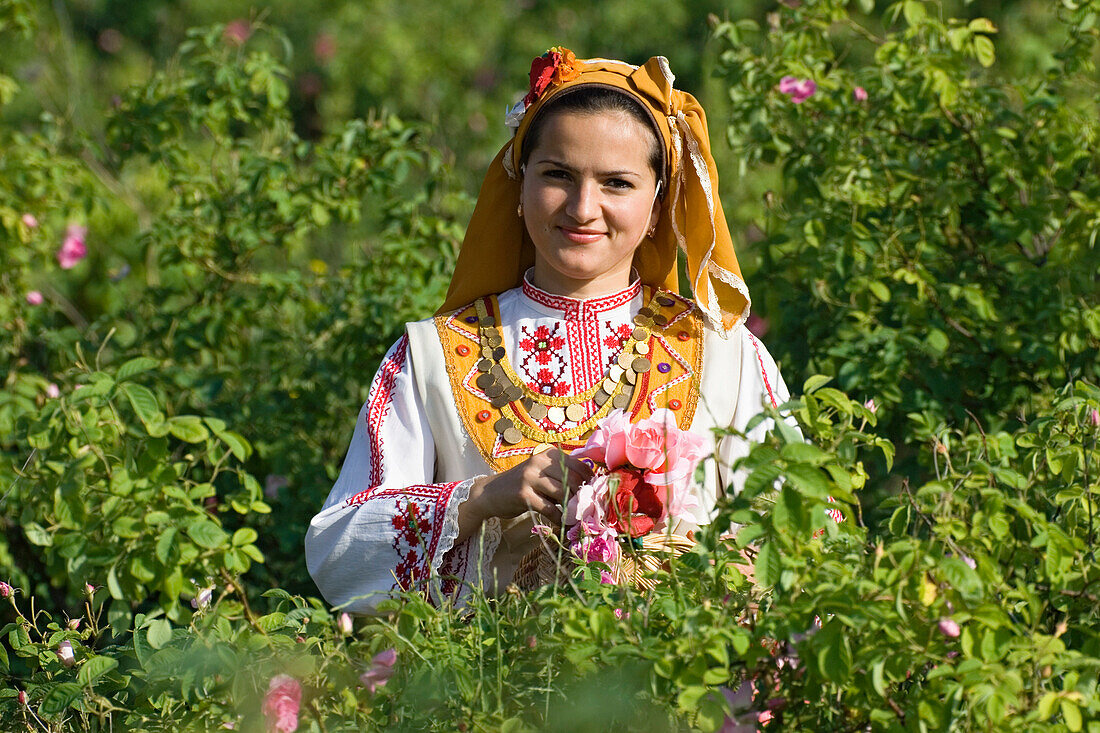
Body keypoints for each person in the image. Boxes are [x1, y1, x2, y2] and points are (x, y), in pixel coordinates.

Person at [305, 49, 792, 614]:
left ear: (658, 206)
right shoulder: (433, 355)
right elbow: (338, 553)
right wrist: (484, 497)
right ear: (519, 185)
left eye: (617, 183)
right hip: (483, 693)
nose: (584, 208)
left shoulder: (724, 354)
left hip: (681, 687)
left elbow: (804, 538)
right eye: (558, 175)